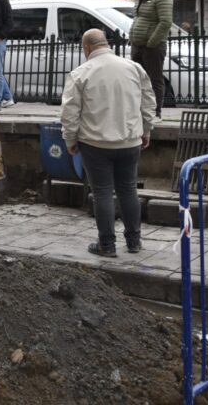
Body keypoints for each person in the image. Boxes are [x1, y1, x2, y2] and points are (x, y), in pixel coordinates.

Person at [61, 29, 156, 257]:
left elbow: (70, 112)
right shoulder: (134, 68)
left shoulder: (80, 73)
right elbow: (148, 101)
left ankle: (107, 245)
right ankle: (134, 241)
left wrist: (70, 139)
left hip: (95, 144)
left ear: (87, 48)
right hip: (129, 141)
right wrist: (146, 130)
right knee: (128, 190)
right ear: (105, 43)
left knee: (102, 192)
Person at [128, 0, 172, 118]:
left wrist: (152, 42)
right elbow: (138, 19)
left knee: (154, 79)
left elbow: (165, 22)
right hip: (138, 45)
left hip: (152, 47)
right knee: (136, 79)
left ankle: (155, 112)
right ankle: (138, 111)